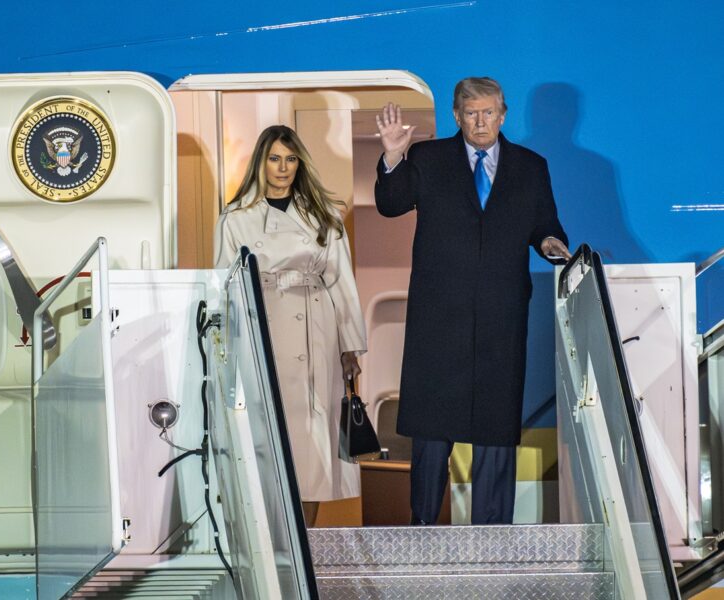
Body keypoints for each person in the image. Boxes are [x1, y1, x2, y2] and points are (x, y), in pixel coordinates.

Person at [374, 77, 571, 525]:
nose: (481, 122)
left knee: (495, 431)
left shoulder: (530, 166)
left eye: (489, 112)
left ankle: (493, 539)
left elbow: (546, 225)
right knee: (431, 432)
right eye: (471, 113)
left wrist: (550, 244)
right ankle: (423, 531)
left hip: (501, 320)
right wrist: (392, 157)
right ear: (457, 116)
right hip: (438, 322)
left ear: (503, 115)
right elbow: (391, 203)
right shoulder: (427, 158)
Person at [214, 125, 367, 527]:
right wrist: (226, 345)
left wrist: (350, 347)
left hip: (316, 330)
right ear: (261, 163)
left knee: (311, 443)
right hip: (261, 329)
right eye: (275, 159)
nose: (283, 168)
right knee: (267, 435)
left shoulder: (323, 214)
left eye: (291, 159)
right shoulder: (236, 217)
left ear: (300, 164)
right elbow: (223, 284)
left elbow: (342, 282)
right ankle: (272, 538)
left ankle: (306, 538)